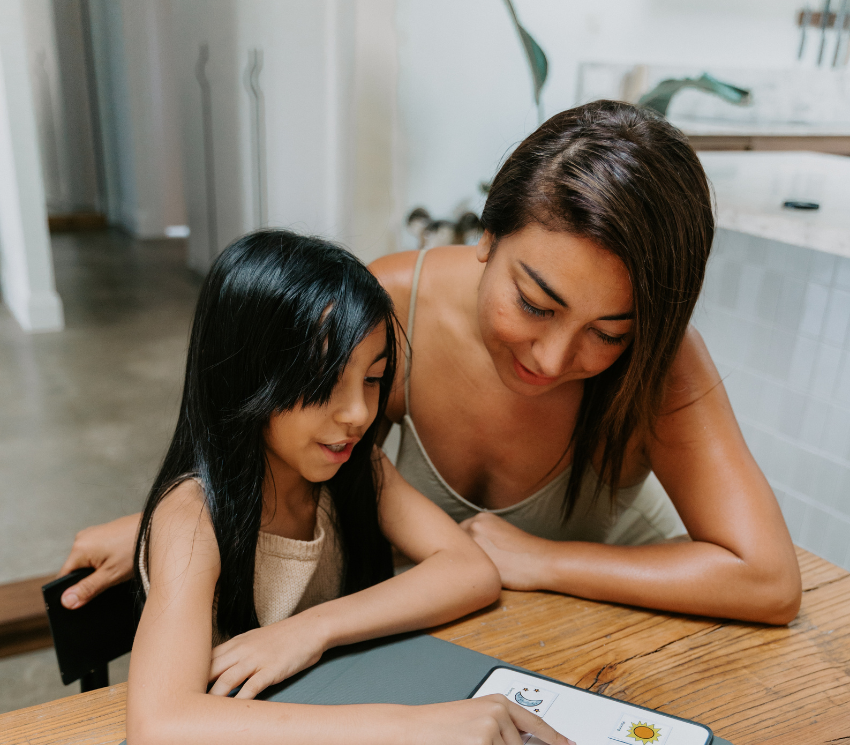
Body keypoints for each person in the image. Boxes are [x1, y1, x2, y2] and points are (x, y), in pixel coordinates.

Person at [58, 101, 801, 624]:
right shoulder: (394, 306)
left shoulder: (665, 362)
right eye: (535, 304)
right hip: (455, 618)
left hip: (613, 615)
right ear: (487, 236)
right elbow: (287, 439)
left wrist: (543, 561)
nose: (554, 356)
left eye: (608, 332)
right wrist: (178, 516)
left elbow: (767, 579)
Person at [124, 230, 574, 745]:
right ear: (246, 374)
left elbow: (470, 571)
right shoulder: (193, 518)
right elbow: (160, 734)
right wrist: (407, 730)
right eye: (325, 382)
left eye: (374, 378)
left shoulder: (356, 469)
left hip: (329, 722)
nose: (360, 414)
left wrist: (310, 630)